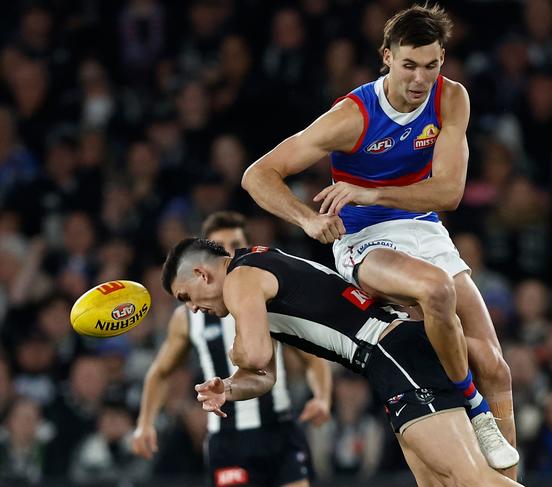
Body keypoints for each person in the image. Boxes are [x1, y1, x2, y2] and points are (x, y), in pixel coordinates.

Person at [241, 3, 517, 473]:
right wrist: (308, 220)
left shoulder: (452, 98)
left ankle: (510, 481)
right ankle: (473, 406)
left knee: (495, 364)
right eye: (409, 65)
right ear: (386, 57)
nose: (419, 79)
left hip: (425, 229)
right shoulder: (352, 116)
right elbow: (258, 174)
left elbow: (450, 193)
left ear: (442, 61)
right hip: (367, 238)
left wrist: (369, 189)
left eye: (431, 66)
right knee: (435, 290)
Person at [161, 238, 525, 487]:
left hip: (390, 352)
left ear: (201, 274)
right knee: (443, 483)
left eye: (186, 297)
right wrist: (227, 387)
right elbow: (264, 375)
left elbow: (253, 355)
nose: (193, 308)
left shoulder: (240, 280)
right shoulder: (253, 269)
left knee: (468, 479)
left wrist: (234, 354)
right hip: (394, 355)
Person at [132, 211, 332, 487]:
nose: (228, 250)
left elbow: (311, 357)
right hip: (228, 439)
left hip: (280, 430)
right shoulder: (188, 317)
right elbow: (161, 371)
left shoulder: (266, 298)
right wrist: (145, 423)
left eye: (234, 242)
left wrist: (322, 396)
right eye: (220, 244)